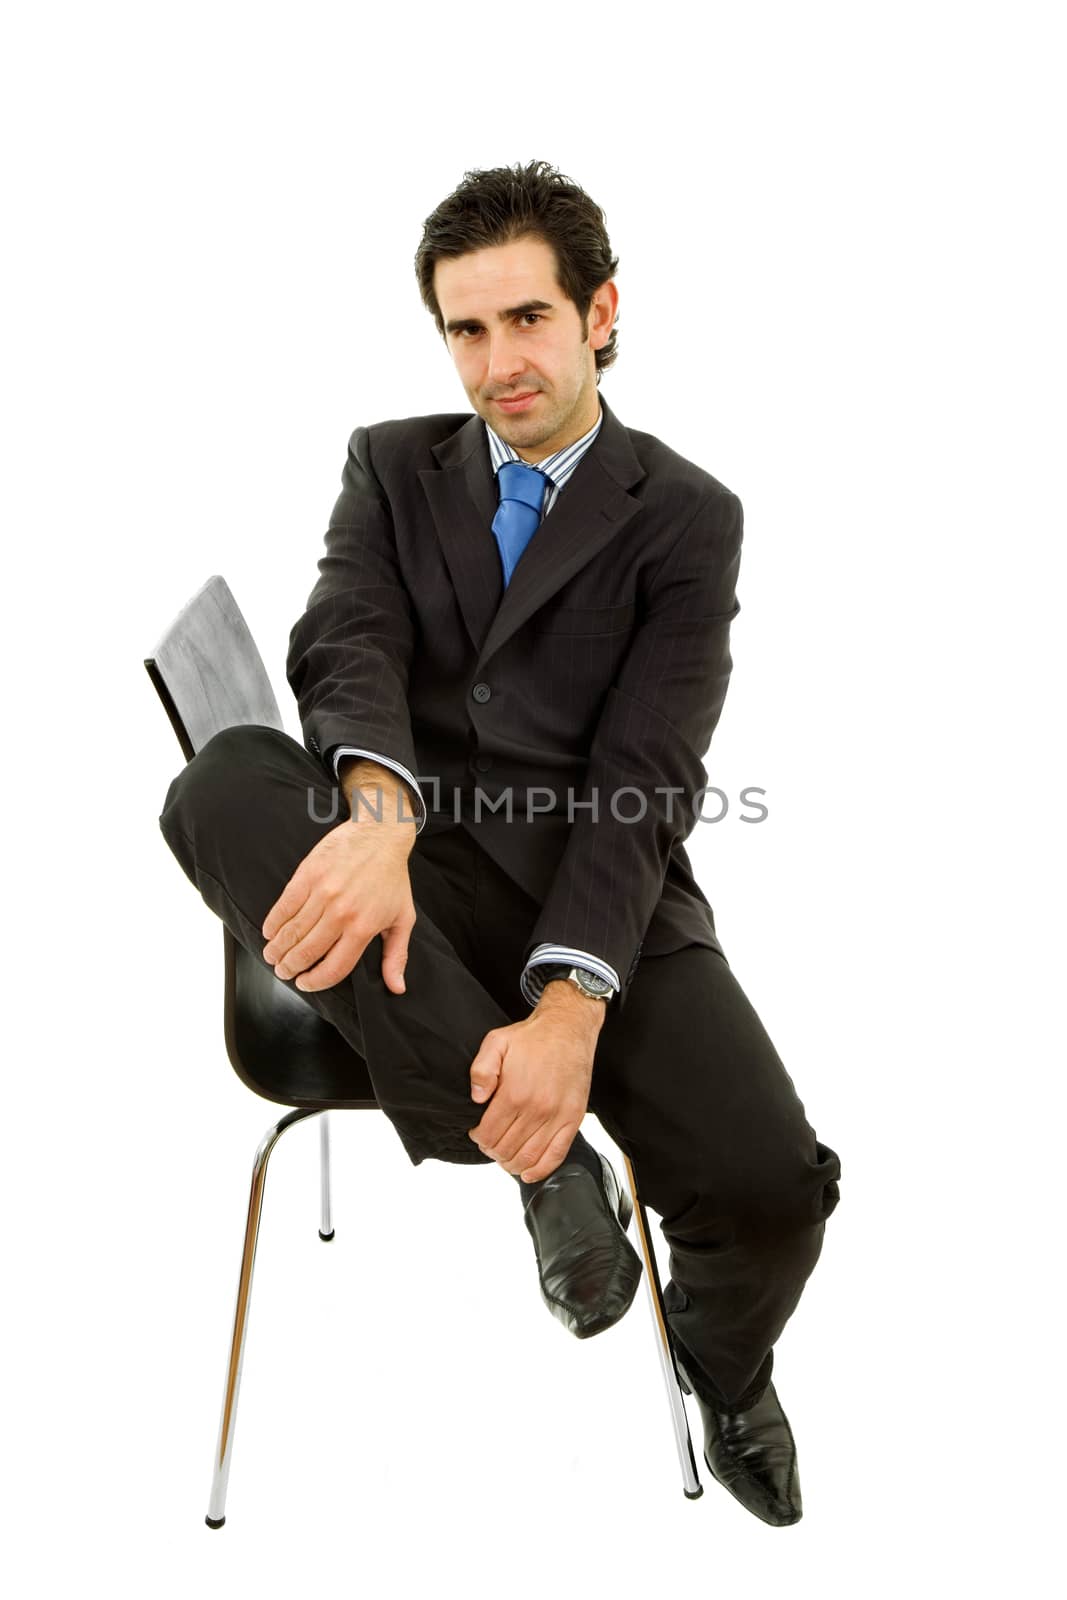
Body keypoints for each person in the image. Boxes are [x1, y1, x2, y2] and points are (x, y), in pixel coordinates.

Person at [159, 158, 841, 1527]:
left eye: (527, 319)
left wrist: (573, 1005)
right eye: (467, 330)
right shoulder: (390, 463)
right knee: (221, 785)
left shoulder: (688, 520)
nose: (498, 362)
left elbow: (647, 770)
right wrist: (378, 814)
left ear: (600, 312)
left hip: (606, 886)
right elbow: (344, 638)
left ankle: (722, 1358)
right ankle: (546, 1163)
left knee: (774, 1189)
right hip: (401, 865)